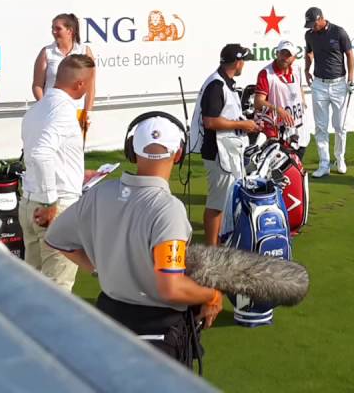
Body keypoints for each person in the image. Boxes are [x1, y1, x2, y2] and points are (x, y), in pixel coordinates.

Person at [45, 115, 223, 368]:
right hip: (155, 337)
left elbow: (56, 239)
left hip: (109, 326)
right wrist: (211, 295)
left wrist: (100, 266)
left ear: (131, 150)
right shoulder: (168, 209)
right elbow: (170, 288)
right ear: (178, 154)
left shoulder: (100, 193)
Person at [20, 54, 95, 290]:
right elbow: (41, 153)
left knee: (33, 284)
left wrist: (77, 174)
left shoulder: (38, 108)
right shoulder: (63, 111)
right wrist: (51, 201)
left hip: (30, 202)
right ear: (80, 84)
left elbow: (42, 155)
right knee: (57, 290)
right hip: (55, 207)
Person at [191, 44, 260, 246]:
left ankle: (218, 243)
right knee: (217, 204)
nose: (244, 65)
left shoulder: (224, 82)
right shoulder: (217, 85)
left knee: (223, 201)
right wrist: (243, 124)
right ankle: (212, 249)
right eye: (243, 61)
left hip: (226, 151)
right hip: (217, 152)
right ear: (237, 62)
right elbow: (210, 121)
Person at [304, 7, 354, 177]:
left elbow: (349, 55)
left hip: (339, 83)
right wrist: (306, 69)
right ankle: (324, 164)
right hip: (319, 84)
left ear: (321, 19)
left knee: (340, 126)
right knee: (320, 127)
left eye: (313, 24)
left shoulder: (338, 32)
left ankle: (340, 158)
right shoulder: (310, 35)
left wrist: (351, 79)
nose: (312, 27)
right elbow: (308, 52)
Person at [32, 13, 96, 122]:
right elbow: (37, 85)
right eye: (52, 28)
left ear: (69, 31)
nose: (54, 32)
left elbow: (91, 86)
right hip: (52, 112)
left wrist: (87, 112)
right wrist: (45, 107)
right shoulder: (46, 52)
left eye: (58, 29)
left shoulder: (84, 51)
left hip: (77, 112)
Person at [253, 40, 303, 149]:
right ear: (276, 53)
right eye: (282, 53)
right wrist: (277, 109)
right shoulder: (266, 73)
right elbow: (258, 102)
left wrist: (303, 102)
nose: (284, 57)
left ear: (294, 57)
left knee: (298, 159)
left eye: (288, 55)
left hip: (297, 125)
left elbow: (299, 87)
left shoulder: (297, 69)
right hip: (277, 128)